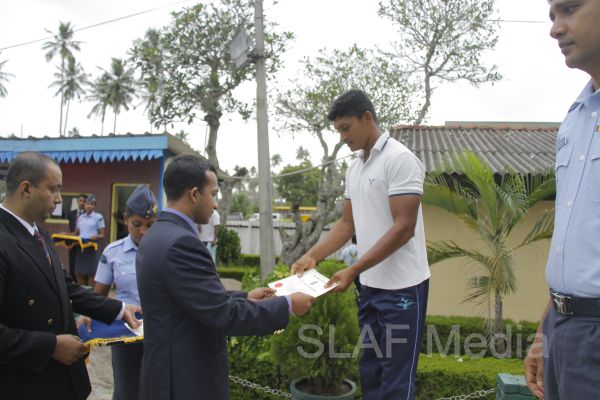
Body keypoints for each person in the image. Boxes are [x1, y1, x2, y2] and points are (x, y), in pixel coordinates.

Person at [136, 155, 315, 400]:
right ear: (194, 194)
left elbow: (191, 298)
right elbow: (224, 315)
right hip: (185, 380)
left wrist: (244, 297)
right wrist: (288, 305)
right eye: (213, 194)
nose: (216, 205)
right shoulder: (181, 242)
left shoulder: (157, 234)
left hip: (165, 373)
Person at [291, 89, 430, 400]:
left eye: (346, 128)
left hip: (403, 288)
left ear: (367, 118)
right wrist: (312, 255)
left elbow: (404, 228)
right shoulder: (355, 167)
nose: (342, 137)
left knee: (396, 381)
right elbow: (346, 223)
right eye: (338, 130)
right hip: (369, 287)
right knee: (371, 372)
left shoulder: (400, 159)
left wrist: (352, 269)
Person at [0, 152, 141, 400]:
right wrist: (51, 346)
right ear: (26, 189)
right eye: (54, 189)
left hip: (61, 381)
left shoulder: (37, 232)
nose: (58, 199)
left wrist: (119, 309)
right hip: (25, 384)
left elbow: (65, 288)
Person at [524, 2, 600, 399]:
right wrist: (548, 325)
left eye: (568, 9)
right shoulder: (575, 117)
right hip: (564, 326)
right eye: (552, 16)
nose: (555, 28)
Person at [79, 185, 158, 400]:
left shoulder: (167, 250)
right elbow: (99, 297)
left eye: (150, 225)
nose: (143, 231)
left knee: (158, 390)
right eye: (136, 224)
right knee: (126, 391)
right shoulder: (113, 252)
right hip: (125, 335)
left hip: (160, 333)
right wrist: (88, 313)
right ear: (125, 220)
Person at [75, 194, 105, 286]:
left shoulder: (98, 217)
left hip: (92, 247)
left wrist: (95, 236)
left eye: (92, 204)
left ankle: (90, 292)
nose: (89, 206)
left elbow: (102, 235)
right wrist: (66, 234)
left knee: (91, 273)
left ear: (94, 206)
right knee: (79, 272)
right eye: (87, 204)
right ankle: (81, 291)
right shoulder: (80, 217)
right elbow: (76, 233)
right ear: (84, 205)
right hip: (81, 247)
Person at [67, 193, 87, 277]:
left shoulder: (88, 214)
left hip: (83, 242)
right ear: (77, 202)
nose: (82, 203)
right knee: (72, 262)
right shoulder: (71, 213)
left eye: (84, 201)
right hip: (72, 242)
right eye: (80, 201)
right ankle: (72, 279)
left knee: (82, 263)